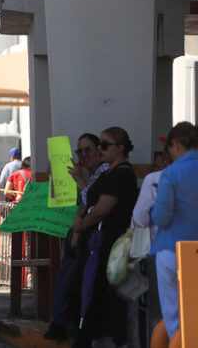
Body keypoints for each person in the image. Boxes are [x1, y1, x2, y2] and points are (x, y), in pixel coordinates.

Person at [70, 127, 139, 348]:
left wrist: (83, 224)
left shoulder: (121, 174)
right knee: (85, 291)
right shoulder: (109, 172)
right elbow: (90, 203)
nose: (100, 149)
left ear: (120, 148)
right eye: (99, 144)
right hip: (98, 242)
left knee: (97, 293)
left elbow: (101, 210)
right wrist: (80, 220)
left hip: (109, 243)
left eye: (105, 145)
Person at [45, 132, 107, 342]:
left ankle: (69, 327)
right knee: (65, 276)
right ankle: (63, 324)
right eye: (79, 151)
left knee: (70, 282)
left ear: (99, 150)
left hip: (96, 242)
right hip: (82, 239)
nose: (83, 154)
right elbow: (83, 204)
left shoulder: (105, 173)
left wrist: (79, 227)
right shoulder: (91, 174)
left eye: (88, 149)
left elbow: (94, 205)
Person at [150, 121, 198, 342]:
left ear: (176, 144)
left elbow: (161, 217)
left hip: (173, 250)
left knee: (175, 317)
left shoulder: (171, 173)